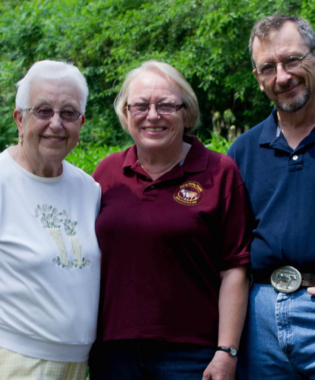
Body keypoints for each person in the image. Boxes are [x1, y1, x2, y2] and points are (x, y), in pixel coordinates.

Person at [90, 60, 251, 380]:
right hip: (114, 352)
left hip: (193, 355)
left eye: (166, 105)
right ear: (126, 112)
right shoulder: (106, 173)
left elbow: (235, 269)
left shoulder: (220, 173)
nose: (152, 115)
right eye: (140, 105)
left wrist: (226, 351)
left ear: (186, 112)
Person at [227, 14, 315, 379]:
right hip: (259, 326)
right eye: (268, 67)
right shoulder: (242, 151)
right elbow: (228, 250)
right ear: (258, 80)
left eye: (291, 60)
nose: (281, 77)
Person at [0, 60, 101, 380]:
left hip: (76, 366)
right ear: (19, 119)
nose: (56, 124)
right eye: (44, 111)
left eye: (68, 113)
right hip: (6, 361)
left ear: (82, 122)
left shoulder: (88, 189)